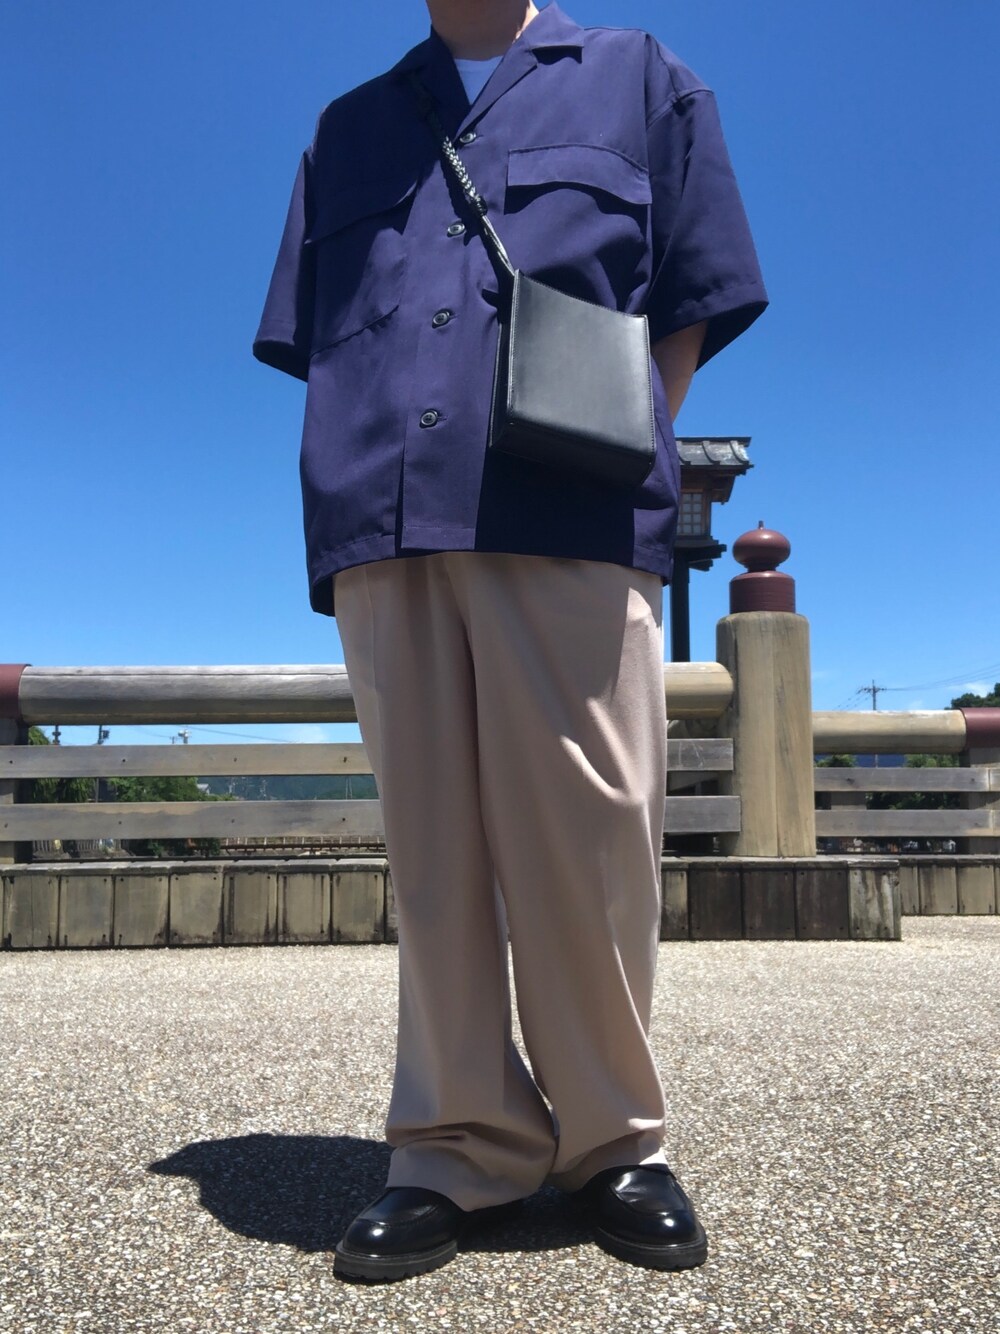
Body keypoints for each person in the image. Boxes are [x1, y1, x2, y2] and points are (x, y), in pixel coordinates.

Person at [254, 0, 767, 1283]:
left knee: (591, 827)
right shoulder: (349, 126)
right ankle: (453, 1142)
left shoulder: (640, 78)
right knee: (433, 846)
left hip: (570, 505)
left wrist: (609, 435)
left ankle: (612, 1138)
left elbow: (689, 296)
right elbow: (325, 333)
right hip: (385, 511)